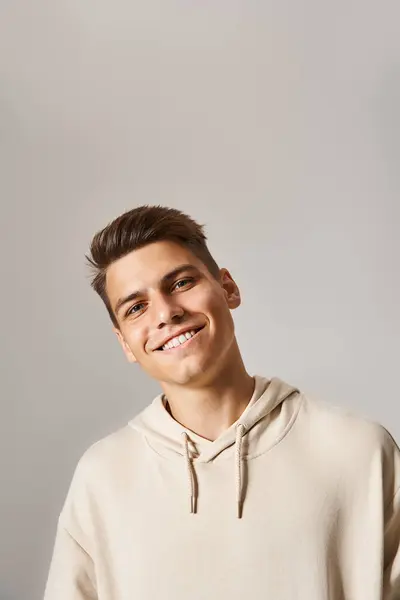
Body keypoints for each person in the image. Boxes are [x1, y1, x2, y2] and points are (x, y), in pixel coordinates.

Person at [44, 204, 400, 600]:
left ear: (227, 287)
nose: (166, 313)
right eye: (136, 307)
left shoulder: (358, 450)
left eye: (180, 283)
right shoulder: (102, 477)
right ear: (125, 342)